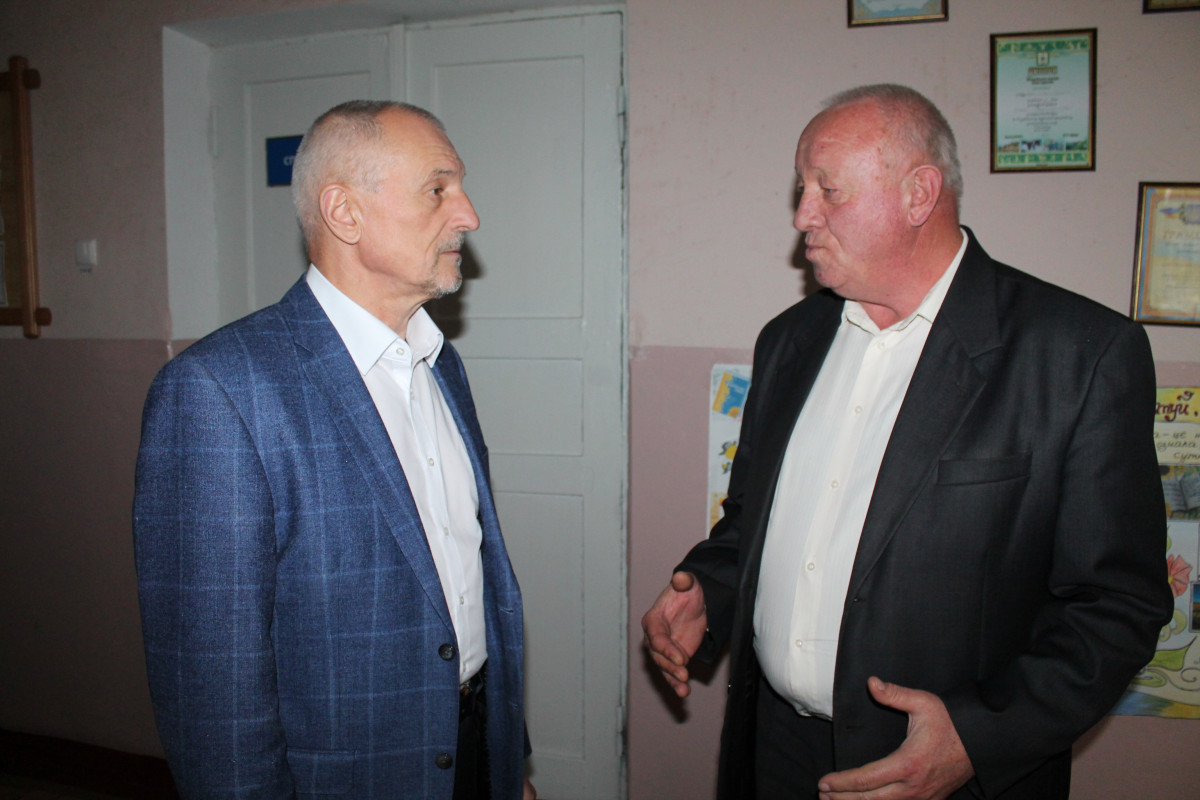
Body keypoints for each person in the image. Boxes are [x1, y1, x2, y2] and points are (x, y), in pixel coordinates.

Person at [642, 84, 1171, 800]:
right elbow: (752, 526)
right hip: (773, 748)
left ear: (919, 194)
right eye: (802, 189)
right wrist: (712, 590)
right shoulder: (789, 341)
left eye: (828, 190)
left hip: (943, 772)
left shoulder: (1078, 354)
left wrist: (979, 735)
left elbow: (1116, 605)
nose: (802, 215)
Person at [134, 100, 536, 800]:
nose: (469, 215)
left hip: (475, 749)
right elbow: (212, 689)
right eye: (437, 189)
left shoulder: (441, 364)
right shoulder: (218, 392)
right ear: (344, 213)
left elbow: (470, 584)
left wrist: (507, 763)